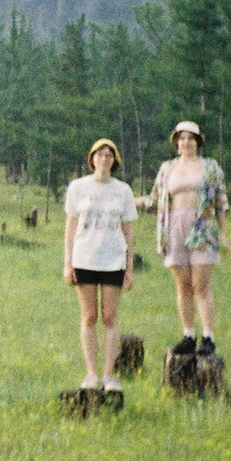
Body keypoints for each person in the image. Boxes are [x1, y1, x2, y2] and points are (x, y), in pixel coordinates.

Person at [62, 138, 138, 393]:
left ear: (114, 161)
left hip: (113, 260)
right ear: (92, 159)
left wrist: (129, 267)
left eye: (109, 155)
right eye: (99, 154)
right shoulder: (77, 187)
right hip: (84, 258)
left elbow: (128, 231)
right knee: (89, 316)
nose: (104, 159)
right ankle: (91, 373)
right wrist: (68, 262)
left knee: (110, 316)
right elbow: (70, 228)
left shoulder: (123, 191)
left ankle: (109, 375)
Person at [149, 120, 230, 356]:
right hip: (174, 227)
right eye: (181, 138)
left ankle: (208, 336)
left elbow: (221, 201)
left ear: (198, 141)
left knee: (201, 285)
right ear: (176, 142)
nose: (186, 142)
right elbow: (155, 198)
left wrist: (223, 233)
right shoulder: (167, 168)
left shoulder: (211, 168)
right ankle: (187, 335)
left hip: (202, 226)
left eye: (190, 138)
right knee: (183, 285)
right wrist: (125, 200)